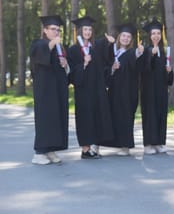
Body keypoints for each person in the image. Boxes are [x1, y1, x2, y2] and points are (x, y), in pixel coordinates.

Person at [67, 16, 114, 159]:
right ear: (80, 31)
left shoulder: (96, 48)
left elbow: (107, 61)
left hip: (97, 89)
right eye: (85, 29)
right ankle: (85, 149)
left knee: (98, 116)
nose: (87, 32)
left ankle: (94, 147)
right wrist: (84, 64)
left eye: (89, 29)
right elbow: (72, 74)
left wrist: (111, 44)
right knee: (85, 118)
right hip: (83, 91)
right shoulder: (74, 50)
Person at [29, 15, 70, 165]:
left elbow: (64, 69)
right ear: (45, 30)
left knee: (56, 118)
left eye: (58, 30)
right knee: (45, 119)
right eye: (53, 29)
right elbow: (39, 57)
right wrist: (52, 43)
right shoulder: (38, 44)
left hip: (57, 90)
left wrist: (65, 64)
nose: (56, 32)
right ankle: (39, 152)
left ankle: (50, 149)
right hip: (44, 90)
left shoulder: (59, 47)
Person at [102, 23, 144, 156]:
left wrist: (139, 52)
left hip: (128, 92)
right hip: (114, 91)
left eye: (129, 37)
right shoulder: (113, 52)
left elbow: (135, 59)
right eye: (124, 36)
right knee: (114, 116)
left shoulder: (131, 52)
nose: (126, 38)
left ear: (131, 40)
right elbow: (106, 71)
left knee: (126, 117)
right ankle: (116, 144)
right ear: (119, 37)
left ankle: (125, 146)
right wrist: (112, 69)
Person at [140, 19, 174, 155]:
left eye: (158, 33)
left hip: (161, 90)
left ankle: (159, 142)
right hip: (148, 90)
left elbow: (168, 80)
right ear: (149, 35)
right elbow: (145, 69)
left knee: (161, 114)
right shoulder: (146, 50)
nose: (156, 35)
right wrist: (151, 56)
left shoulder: (163, 51)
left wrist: (169, 71)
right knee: (150, 115)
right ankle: (148, 144)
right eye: (153, 33)